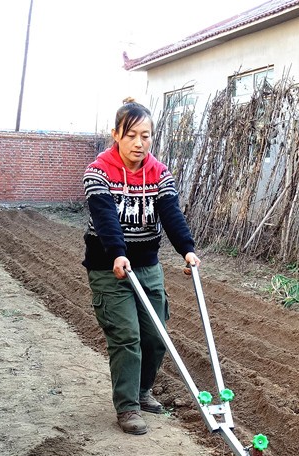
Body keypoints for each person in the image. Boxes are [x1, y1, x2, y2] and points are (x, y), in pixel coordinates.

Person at [83, 98, 201, 435]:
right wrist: (118, 253)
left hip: (147, 266)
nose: (139, 143)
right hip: (110, 268)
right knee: (127, 336)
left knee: (155, 336)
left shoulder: (159, 173)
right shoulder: (98, 171)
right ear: (116, 134)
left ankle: (142, 390)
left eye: (146, 136)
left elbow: (171, 214)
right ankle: (128, 407)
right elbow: (105, 218)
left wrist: (187, 251)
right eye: (132, 135)